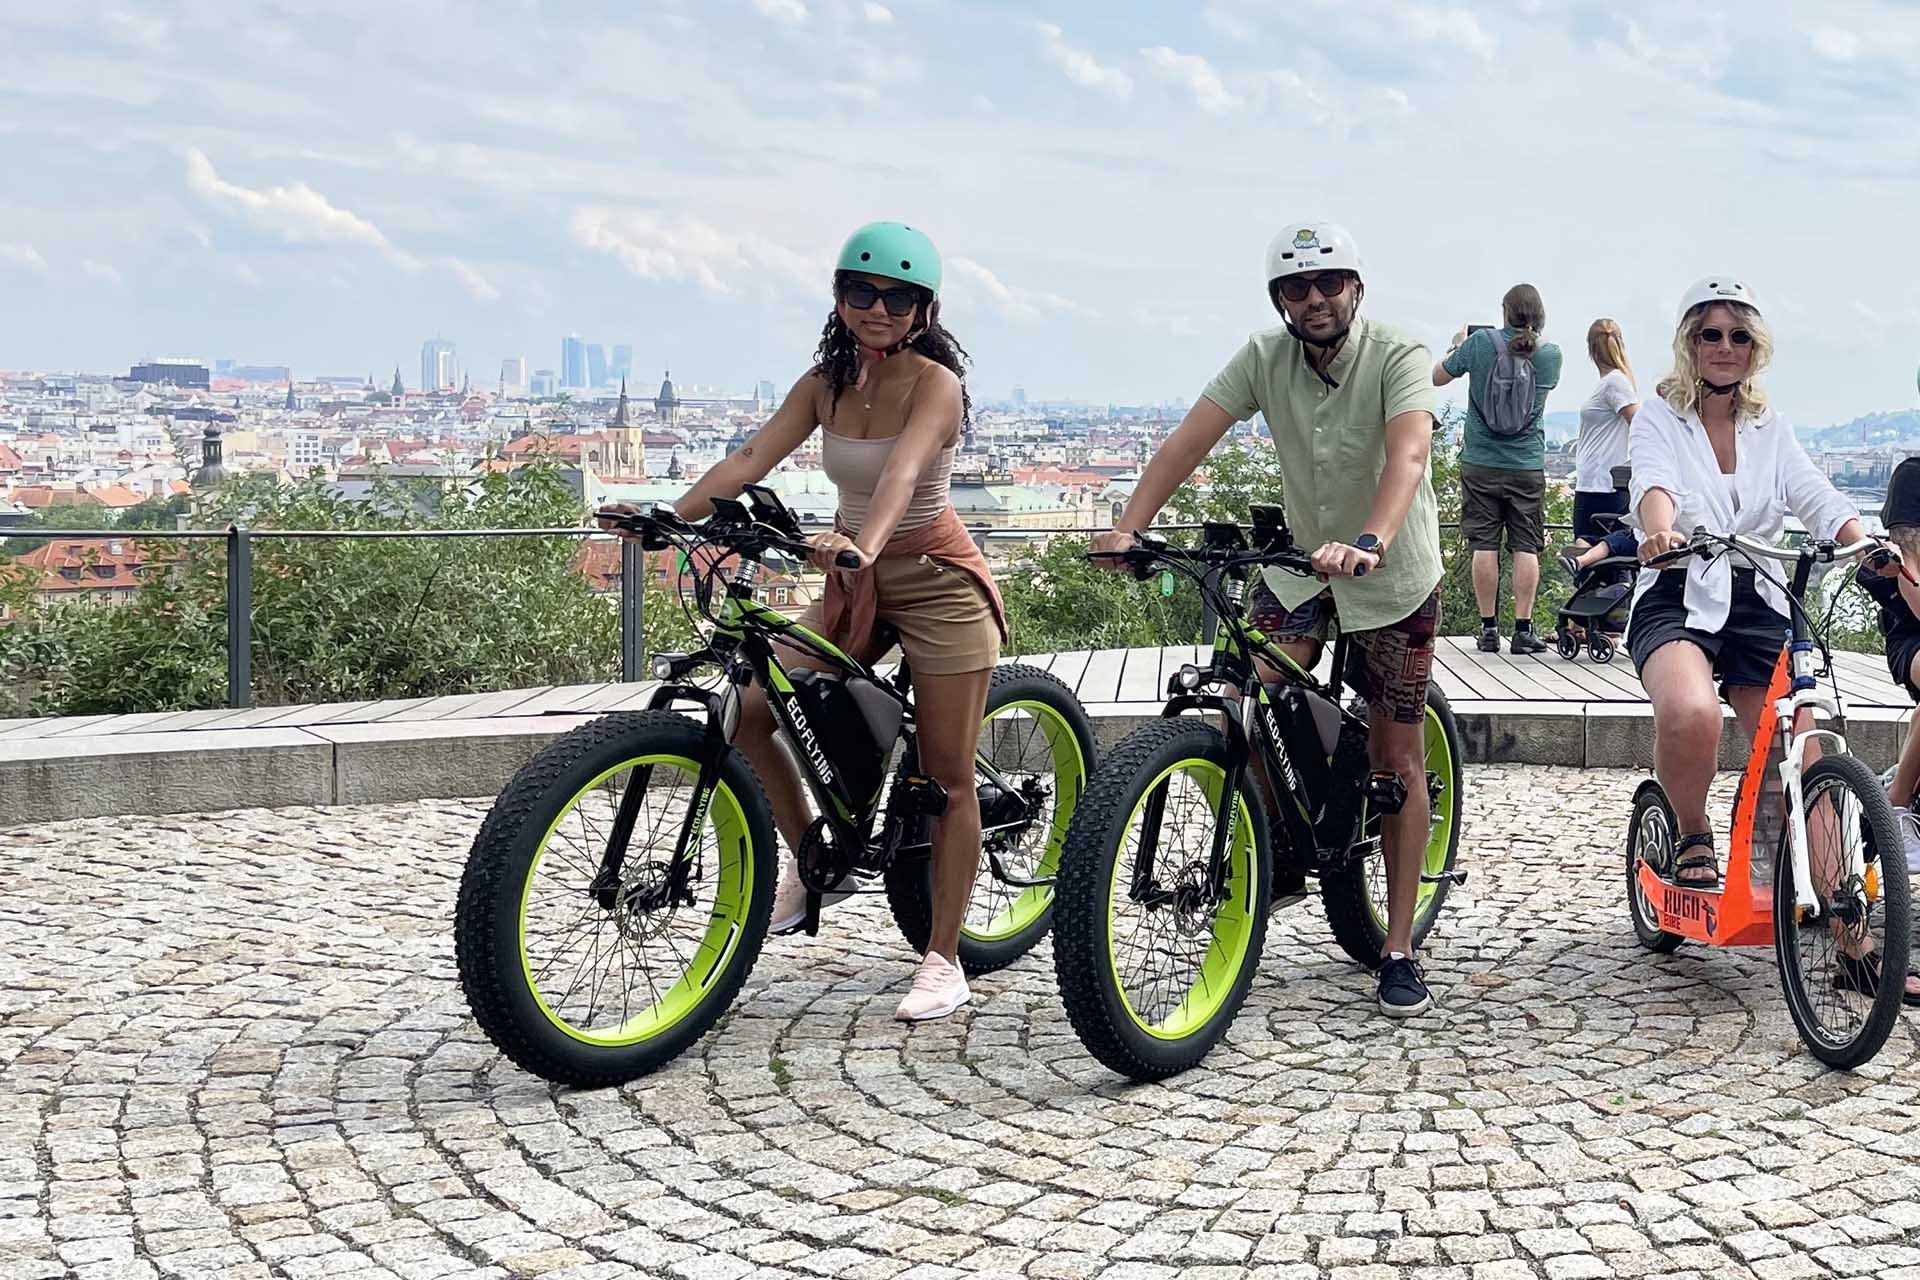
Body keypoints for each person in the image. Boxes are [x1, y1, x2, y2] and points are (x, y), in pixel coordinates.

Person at [601, 221, 1005, 1022]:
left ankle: (944, 957)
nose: (877, 308)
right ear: (839, 297)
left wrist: (860, 544)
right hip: (855, 581)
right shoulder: (824, 382)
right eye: (862, 291)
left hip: (934, 579)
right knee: (750, 705)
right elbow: (751, 459)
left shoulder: (935, 385)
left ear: (924, 308)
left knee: (948, 775)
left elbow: (901, 476)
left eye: (896, 296)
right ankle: (815, 857)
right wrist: (667, 517)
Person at [1090, 220, 1445, 1018]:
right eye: (1296, 288)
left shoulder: (1398, 353)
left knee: (1395, 758)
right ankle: (1272, 842)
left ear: (1356, 289)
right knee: (1243, 689)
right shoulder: (1264, 356)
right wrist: (1131, 525)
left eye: (1328, 284)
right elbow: (1192, 438)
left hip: (1387, 572)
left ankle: (1397, 945)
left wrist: (1371, 539)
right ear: (1279, 300)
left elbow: (1409, 455)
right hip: (1296, 571)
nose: (1313, 299)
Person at [1627, 276, 1917, 1001]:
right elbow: (1653, 484)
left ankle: (1853, 936)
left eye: (1739, 336)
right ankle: (1692, 831)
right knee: (1692, 711)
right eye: (1710, 334)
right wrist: (1659, 526)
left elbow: (1813, 494)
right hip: (1678, 588)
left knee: (1810, 752)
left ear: (1757, 348)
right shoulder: (1660, 415)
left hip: (1756, 597)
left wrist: (1863, 542)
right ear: (1689, 342)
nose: (1725, 348)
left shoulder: (1771, 425)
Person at [1433, 285, 1563, 654]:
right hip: (1526, 463)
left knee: (1483, 544)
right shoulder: (1551, 355)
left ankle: (1488, 629)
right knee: (1526, 545)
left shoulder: (1479, 345)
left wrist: (1458, 345)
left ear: (1504, 311)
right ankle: (1523, 629)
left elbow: (1437, 377)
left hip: (1480, 461)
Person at [1572, 319, 1640, 545]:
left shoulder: (1614, 383)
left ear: (1590, 348)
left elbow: (1639, 424)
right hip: (1595, 481)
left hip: (1602, 485)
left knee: (1588, 548)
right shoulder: (1612, 383)